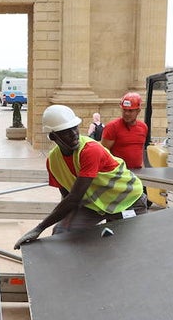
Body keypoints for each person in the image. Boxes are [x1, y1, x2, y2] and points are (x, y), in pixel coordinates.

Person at [14, 104, 148, 248]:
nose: (74, 134)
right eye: (66, 131)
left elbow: (74, 198)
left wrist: (40, 228)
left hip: (128, 202)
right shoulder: (53, 161)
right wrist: (64, 223)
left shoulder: (90, 150)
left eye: (75, 128)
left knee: (125, 248)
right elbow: (67, 197)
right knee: (62, 232)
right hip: (95, 207)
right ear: (53, 136)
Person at [101, 92, 149, 169]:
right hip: (118, 173)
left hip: (138, 172)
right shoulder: (112, 127)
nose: (126, 113)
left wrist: (143, 169)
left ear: (138, 111)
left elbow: (140, 150)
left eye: (130, 111)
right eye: (124, 110)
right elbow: (103, 152)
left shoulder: (143, 127)